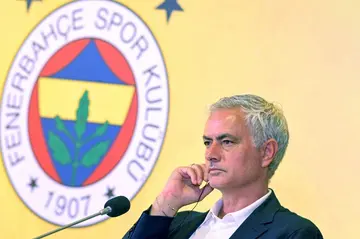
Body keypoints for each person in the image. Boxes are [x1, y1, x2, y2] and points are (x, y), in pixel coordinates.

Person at [122, 94, 323, 239]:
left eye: (227, 141)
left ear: (266, 152)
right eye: (207, 142)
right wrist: (165, 204)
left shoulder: (294, 233)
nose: (210, 154)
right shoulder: (176, 224)